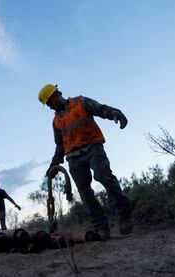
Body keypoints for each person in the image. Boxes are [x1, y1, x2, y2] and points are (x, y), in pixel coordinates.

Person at [38, 83, 132, 241]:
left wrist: (116, 113)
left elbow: (100, 109)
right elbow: (60, 145)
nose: (50, 107)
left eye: (50, 102)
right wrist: (53, 164)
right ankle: (101, 228)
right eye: (47, 105)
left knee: (103, 175)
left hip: (92, 147)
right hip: (73, 158)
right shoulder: (56, 121)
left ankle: (124, 212)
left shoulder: (80, 102)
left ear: (56, 95)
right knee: (85, 192)